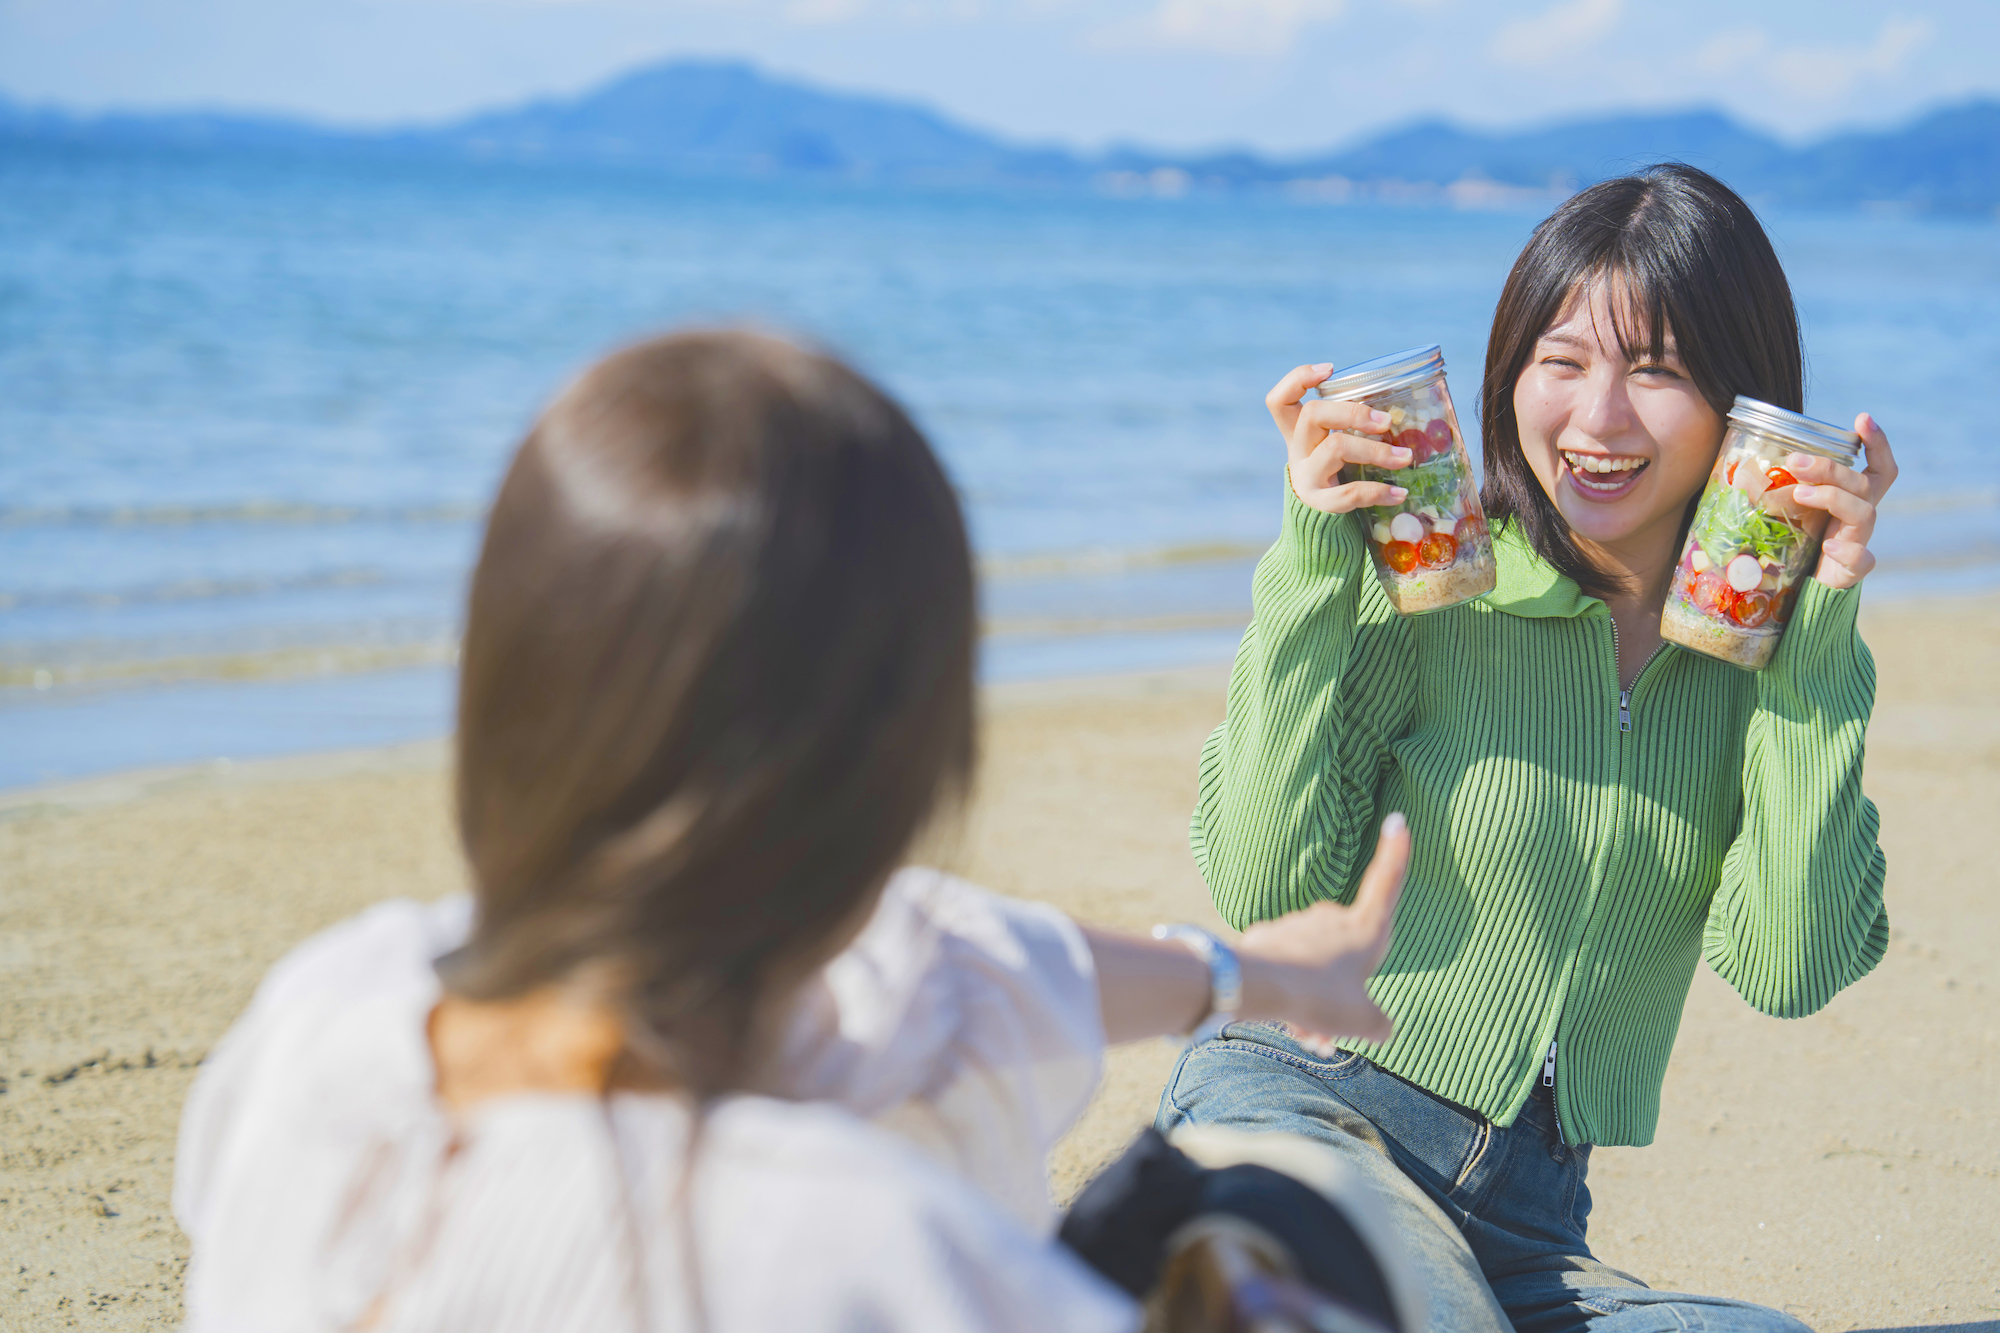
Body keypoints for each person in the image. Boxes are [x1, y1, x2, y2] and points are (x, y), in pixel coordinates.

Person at [172, 329, 1423, 1333]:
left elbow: (948, 957)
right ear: (901, 767)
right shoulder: (849, 1245)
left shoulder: (333, 1009)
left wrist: (1249, 972)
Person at [1159, 163, 1897, 1332]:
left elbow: (1789, 965)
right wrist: (1308, 564)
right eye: (1560, 363)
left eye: (1656, 370)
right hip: (1306, 1111)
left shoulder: (1761, 666)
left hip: (1530, 1217)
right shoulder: (1426, 583)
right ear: (1508, 378)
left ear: (1740, 399)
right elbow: (1262, 886)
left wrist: (1815, 637)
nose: (1596, 420)